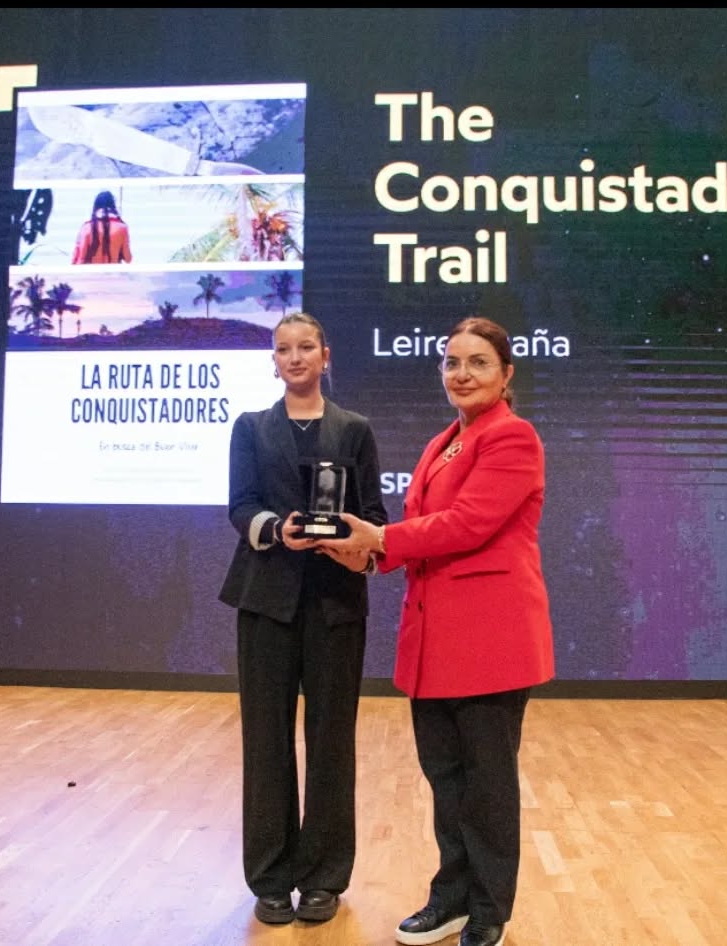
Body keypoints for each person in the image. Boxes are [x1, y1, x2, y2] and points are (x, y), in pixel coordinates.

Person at [318, 316, 555, 946]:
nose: (462, 374)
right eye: (452, 362)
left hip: (489, 640)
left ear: (506, 374)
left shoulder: (513, 437)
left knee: (486, 785)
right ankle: (450, 898)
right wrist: (366, 556)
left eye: (478, 363)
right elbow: (423, 533)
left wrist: (381, 537)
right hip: (434, 643)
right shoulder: (443, 441)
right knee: (446, 780)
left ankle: (489, 910)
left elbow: (468, 523)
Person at [218, 312, 388, 927]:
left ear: (325, 355)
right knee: (265, 743)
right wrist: (276, 530)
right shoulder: (250, 428)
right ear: (274, 361)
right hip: (265, 602)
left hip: (336, 606)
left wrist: (354, 547)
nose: (295, 357)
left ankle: (323, 879)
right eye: (284, 349)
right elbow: (241, 506)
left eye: (306, 347)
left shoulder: (355, 429)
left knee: (331, 742)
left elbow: (374, 515)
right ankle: (270, 879)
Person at [71, 190, 132, 263]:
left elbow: (80, 259)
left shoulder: (87, 227)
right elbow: (128, 259)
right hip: (114, 269)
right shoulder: (122, 228)